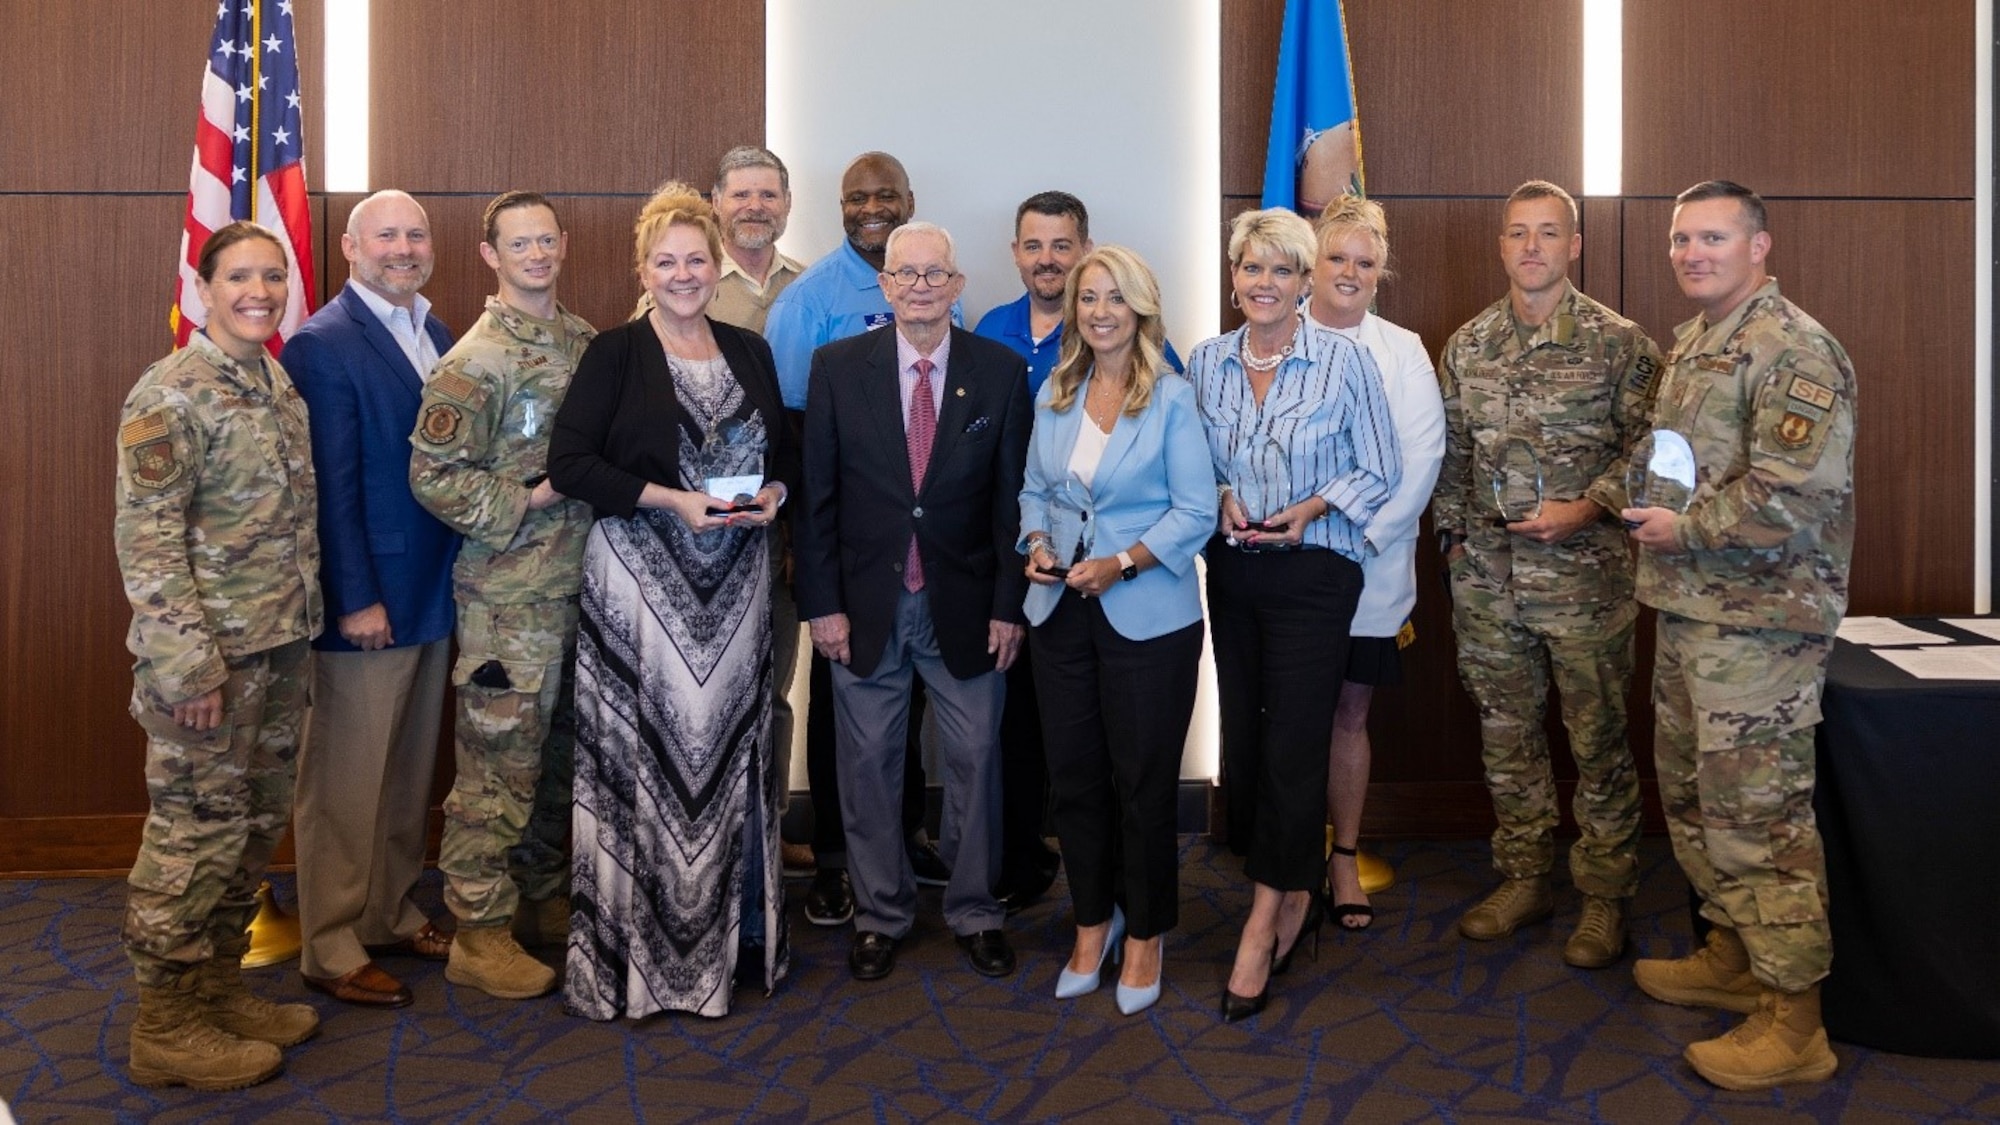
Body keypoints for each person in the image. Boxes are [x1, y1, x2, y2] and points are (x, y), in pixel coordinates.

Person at [1624, 181, 1855, 1091]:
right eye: (1682, 238)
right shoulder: (1697, 342)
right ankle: (1732, 957)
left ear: (1759, 245)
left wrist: (1685, 530)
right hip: (1693, 613)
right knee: (1693, 799)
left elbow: (1792, 496)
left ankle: (1797, 1021)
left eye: (1713, 237)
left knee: (1762, 819)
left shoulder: (1793, 349)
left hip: (1762, 625)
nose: (1692, 252)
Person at [548, 183, 795, 1019]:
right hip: (641, 589)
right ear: (643, 270)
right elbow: (573, 464)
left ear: (716, 264)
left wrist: (775, 494)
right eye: (667, 261)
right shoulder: (613, 353)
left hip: (735, 592)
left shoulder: (748, 350)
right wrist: (669, 497)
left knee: (725, 765)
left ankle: (723, 953)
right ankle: (640, 963)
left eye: (697, 258)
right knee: (643, 768)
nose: (685, 274)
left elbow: (783, 456)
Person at [1429, 180, 1662, 969]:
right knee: (1507, 736)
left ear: (1575, 246)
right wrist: (1456, 544)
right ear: (1501, 246)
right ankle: (1524, 876)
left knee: (1596, 741)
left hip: (1584, 581)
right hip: (1491, 585)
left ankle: (1605, 895)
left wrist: (1589, 507)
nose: (1532, 247)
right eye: (1518, 233)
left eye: (1549, 233)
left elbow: (1653, 454)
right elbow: (1451, 459)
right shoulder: (1467, 345)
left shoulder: (1620, 344)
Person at [795, 221, 1032, 983]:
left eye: (936, 275)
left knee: (975, 758)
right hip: (866, 603)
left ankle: (974, 911)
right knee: (867, 764)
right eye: (907, 275)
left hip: (966, 602)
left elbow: (1011, 505)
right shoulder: (836, 367)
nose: (921, 287)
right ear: (886, 286)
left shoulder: (998, 371)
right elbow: (817, 500)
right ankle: (881, 913)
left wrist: (1009, 604)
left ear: (958, 286)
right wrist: (821, 602)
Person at [115, 222, 322, 1089]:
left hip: (277, 649)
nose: (261, 291)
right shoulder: (171, 394)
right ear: (204, 287)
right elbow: (149, 540)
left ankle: (214, 991)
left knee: (249, 831)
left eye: (273, 277)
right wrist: (190, 667)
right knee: (191, 839)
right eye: (240, 276)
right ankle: (164, 1024)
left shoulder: (273, 379)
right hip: (209, 666)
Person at [1188, 207, 1400, 1021]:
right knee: (1244, 738)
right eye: (1251, 268)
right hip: (1235, 571)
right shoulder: (1207, 362)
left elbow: (1379, 468)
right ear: (1234, 276)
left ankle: (1266, 915)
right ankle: (1286, 879)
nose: (1264, 284)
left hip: (1316, 573)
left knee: (1294, 740)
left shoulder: (1345, 362)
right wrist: (1220, 497)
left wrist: (1310, 507)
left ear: (1305, 282)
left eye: (1281, 270)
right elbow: (1190, 462)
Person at [408, 191, 597, 1000]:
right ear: (490, 255)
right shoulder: (476, 360)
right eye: (518, 243)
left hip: (584, 589)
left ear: (562, 244)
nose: (535, 254)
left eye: (545, 239)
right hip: (508, 600)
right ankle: (480, 932)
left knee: (560, 762)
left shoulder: (587, 339)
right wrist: (528, 499)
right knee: (497, 772)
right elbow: (432, 474)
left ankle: (541, 900)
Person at [764, 151, 958, 927]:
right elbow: (789, 433)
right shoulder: (810, 300)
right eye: (856, 198)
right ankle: (841, 865)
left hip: (924, 550)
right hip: (846, 545)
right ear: (839, 207)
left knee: (906, 698)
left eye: (886, 196)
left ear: (910, 202)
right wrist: (798, 544)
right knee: (840, 701)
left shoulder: (936, 287)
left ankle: (904, 836)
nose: (871, 208)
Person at [1018, 246, 1211, 1015]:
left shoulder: (1170, 398)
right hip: (1060, 612)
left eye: (1114, 299)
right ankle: (1093, 921)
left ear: (1141, 311)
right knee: (1076, 781)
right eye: (1088, 297)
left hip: (1148, 617)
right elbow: (1034, 490)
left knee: (1141, 784)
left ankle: (1146, 935)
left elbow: (1195, 513)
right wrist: (1035, 543)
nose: (1099, 311)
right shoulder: (1056, 392)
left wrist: (1122, 563)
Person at [287, 190, 460, 1008]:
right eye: (386, 233)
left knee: (405, 771)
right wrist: (353, 596)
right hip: (370, 598)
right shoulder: (323, 344)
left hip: (433, 589)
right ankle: (329, 939)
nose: (404, 246)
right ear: (350, 247)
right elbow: (330, 484)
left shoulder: (435, 330)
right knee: (348, 778)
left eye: (416, 233)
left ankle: (389, 910)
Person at [1303, 196, 1446, 931]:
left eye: (1365, 261)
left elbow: (1422, 460)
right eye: (1337, 258)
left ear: (1381, 270)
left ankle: (1343, 855)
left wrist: (1357, 537)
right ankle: (1290, 857)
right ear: (1313, 263)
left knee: (1350, 713)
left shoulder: (1404, 348)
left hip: (1369, 564)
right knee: (1287, 713)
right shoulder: (1270, 334)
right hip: (1286, 567)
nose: (1350, 272)